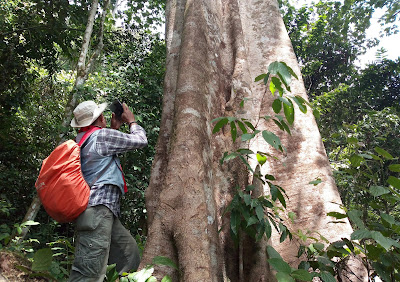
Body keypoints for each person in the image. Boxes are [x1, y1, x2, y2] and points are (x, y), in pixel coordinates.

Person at [68, 100, 148, 281]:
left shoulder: (81, 140)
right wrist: (132, 122)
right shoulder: (102, 137)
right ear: (100, 118)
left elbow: (101, 159)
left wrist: (114, 129)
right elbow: (141, 141)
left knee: (129, 254)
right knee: (88, 272)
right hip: (98, 210)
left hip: (101, 211)